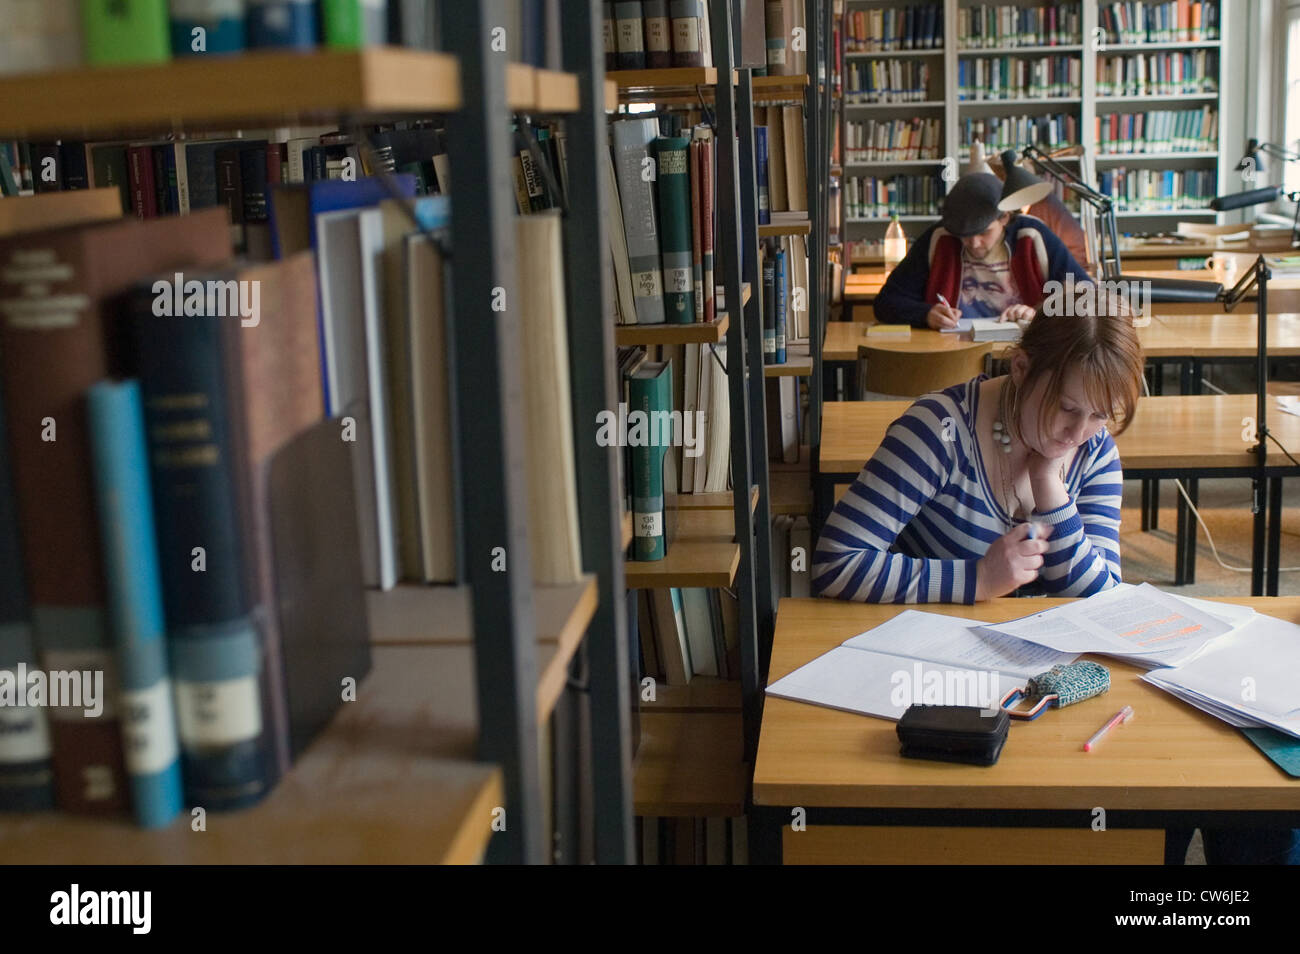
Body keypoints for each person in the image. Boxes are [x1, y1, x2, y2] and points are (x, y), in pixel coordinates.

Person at [813, 301, 1142, 603]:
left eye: (1101, 415)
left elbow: (1104, 600)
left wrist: (1050, 489)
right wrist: (978, 579)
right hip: (926, 652)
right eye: (1066, 407)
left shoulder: (1096, 453)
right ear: (1021, 368)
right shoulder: (940, 430)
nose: (1078, 433)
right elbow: (835, 563)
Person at [874, 172, 1093, 330]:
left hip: (1024, 354)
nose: (974, 242)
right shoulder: (940, 237)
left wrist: (1039, 313)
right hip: (955, 356)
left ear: (1005, 218)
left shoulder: (1032, 236)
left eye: (984, 232)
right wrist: (925, 314)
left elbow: (1089, 295)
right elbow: (886, 302)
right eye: (965, 234)